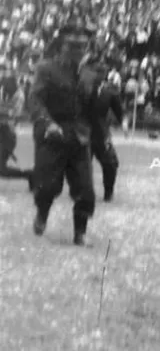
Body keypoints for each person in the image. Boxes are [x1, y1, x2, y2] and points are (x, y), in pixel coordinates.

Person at [27, 18, 96, 246]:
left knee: (85, 189)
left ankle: (80, 233)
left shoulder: (88, 74)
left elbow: (92, 107)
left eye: (82, 47)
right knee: (47, 186)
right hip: (53, 134)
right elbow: (35, 99)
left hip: (79, 136)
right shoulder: (46, 68)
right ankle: (42, 214)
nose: (78, 51)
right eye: (72, 46)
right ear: (61, 46)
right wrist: (47, 123)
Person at [83, 60, 125, 201]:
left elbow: (119, 112)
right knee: (80, 164)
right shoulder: (82, 89)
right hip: (84, 132)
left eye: (101, 73)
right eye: (96, 73)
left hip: (101, 133)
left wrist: (123, 123)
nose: (98, 76)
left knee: (111, 163)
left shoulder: (110, 92)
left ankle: (108, 191)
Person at [1, 62, 33, 187]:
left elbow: (13, 114)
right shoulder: (5, 89)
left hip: (7, 134)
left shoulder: (17, 94)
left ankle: (30, 175)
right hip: (4, 132)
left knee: (1, 169)